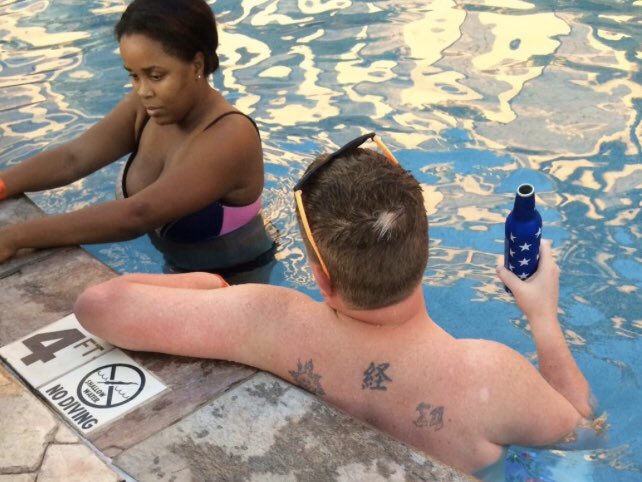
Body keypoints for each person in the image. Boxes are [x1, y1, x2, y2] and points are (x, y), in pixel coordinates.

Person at [74, 133, 600, 477]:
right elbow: (584, 433)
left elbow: (99, 305)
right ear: (424, 248)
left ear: (321, 277)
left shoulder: (268, 318)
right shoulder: (490, 378)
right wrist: (542, 317)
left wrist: (207, 283)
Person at [0, 0, 271, 271]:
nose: (143, 90)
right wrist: (3, 185)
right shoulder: (145, 108)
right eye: (134, 76)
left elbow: (137, 215)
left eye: (156, 76)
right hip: (174, 268)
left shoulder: (231, 136)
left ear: (197, 65)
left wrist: (14, 237)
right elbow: (74, 158)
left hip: (235, 280)